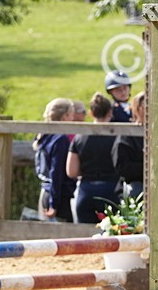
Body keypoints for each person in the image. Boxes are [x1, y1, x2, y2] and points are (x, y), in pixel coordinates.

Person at [67, 93, 121, 224]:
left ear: (91, 113)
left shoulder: (79, 137)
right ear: (110, 112)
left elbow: (71, 171)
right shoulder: (119, 136)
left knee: (85, 240)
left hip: (87, 191)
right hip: (112, 191)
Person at [33, 98, 78, 222]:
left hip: (45, 191)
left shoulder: (43, 136)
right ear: (64, 117)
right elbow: (56, 173)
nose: (73, 119)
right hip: (59, 196)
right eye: (71, 115)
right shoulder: (61, 140)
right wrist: (54, 203)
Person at [112, 91, 145, 200]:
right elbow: (122, 167)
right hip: (135, 188)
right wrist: (147, 167)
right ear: (137, 109)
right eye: (146, 107)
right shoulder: (126, 136)